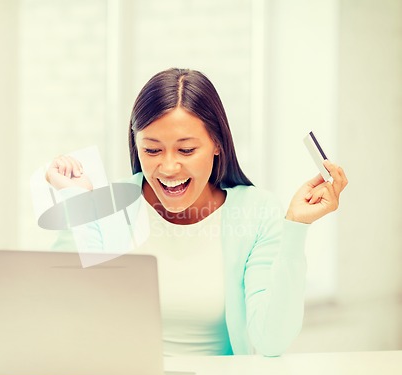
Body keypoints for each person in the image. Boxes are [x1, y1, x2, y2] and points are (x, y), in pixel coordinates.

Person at [45, 68, 348, 357]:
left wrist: (295, 228)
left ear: (217, 144)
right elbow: (68, 309)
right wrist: (77, 201)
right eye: (152, 150)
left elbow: (272, 340)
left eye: (186, 150)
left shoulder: (256, 211)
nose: (168, 167)